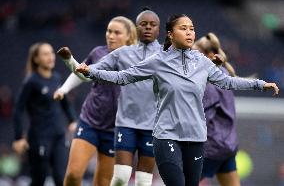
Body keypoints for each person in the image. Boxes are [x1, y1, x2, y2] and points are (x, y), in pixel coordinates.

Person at [75, 14, 279, 186]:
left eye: (192, 28)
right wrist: (92, 72)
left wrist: (260, 84)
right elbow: (123, 77)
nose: (190, 32)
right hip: (167, 136)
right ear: (171, 35)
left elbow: (227, 82)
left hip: (197, 138)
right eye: (184, 28)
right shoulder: (157, 62)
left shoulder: (202, 62)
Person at [57, 9, 161, 186]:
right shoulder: (99, 52)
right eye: (109, 31)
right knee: (74, 174)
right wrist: (67, 73)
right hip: (90, 121)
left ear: (129, 36)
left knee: (104, 182)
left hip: (116, 128)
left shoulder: (141, 58)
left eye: (116, 32)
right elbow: (83, 73)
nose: (111, 36)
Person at [12, 42, 77, 186]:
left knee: (61, 179)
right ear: (36, 59)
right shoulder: (31, 81)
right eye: (45, 54)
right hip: (39, 138)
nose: (51, 57)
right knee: (39, 181)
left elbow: (65, 102)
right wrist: (18, 137)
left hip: (59, 136)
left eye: (52, 53)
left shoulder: (57, 78)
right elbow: (18, 109)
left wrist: (72, 120)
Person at [193, 33, 241, 186]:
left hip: (210, 148)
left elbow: (200, 118)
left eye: (196, 54)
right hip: (227, 145)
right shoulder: (224, 74)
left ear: (210, 56)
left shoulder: (209, 82)